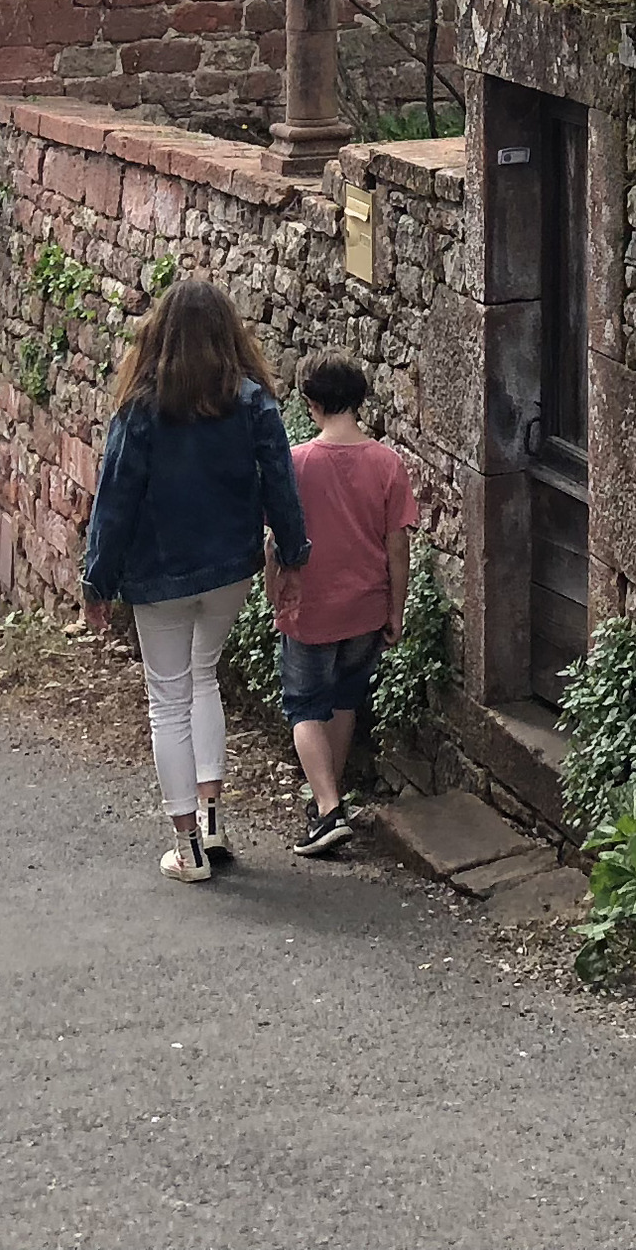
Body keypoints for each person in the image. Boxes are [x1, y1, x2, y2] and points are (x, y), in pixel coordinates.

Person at [80, 279, 304, 883]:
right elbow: (281, 483)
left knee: (168, 698)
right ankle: (211, 816)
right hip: (230, 566)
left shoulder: (142, 411)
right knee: (203, 678)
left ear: (162, 336)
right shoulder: (253, 402)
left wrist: (96, 582)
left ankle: (188, 847)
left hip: (159, 573)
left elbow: (115, 501)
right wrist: (293, 555)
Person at [274, 355, 416, 859]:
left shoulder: (296, 463)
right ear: (360, 400)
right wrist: (396, 610)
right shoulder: (387, 464)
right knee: (343, 702)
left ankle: (328, 809)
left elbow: (280, 541)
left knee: (303, 706)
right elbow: (397, 545)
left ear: (310, 404)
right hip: (366, 608)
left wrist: (275, 588)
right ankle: (326, 803)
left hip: (310, 608)